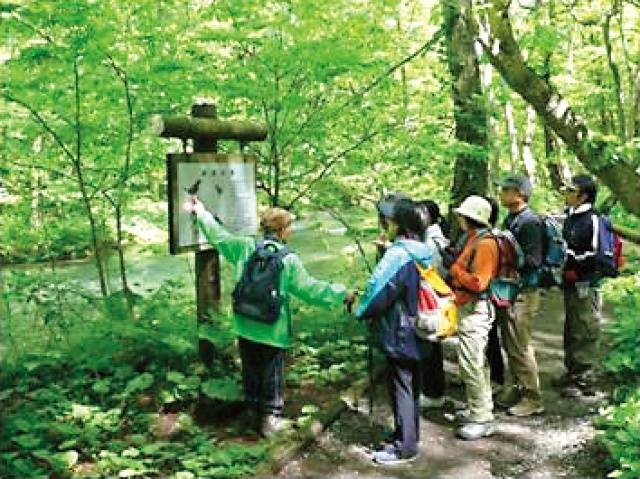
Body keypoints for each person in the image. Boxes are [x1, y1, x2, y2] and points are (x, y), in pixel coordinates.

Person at [187, 199, 355, 437]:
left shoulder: (245, 247)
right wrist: (342, 294)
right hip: (272, 328)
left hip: (245, 323)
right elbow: (310, 289)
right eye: (289, 227)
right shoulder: (288, 260)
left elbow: (218, 236)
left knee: (251, 370)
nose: (291, 231)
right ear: (282, 230)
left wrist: (201, 212)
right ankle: (269, 422)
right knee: (271, 375)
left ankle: (251, 414)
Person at [356, 198, 432, 465]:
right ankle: (409, 436)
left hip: (399, 332)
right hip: (421, 326)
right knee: (411, 384)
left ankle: (404, 448)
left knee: (400, 386)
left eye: (385, 221)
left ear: (394, 224)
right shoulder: (422, 250)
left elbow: (378, 292)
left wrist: (360, 311)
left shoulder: (398, 255)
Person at [448, 195, 499, 440]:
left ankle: (483, 419)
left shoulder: (486, 244)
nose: (458, 218)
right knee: (474, 361)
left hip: (477, 309)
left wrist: (456, 270)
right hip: (469, 307)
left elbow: (479, 282)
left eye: (461, 215)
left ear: (470, 218)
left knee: (472, 363)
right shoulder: (473, 239)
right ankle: (478, 408)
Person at [494, 175, 544, 417]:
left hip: (524, 292)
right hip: (512, 291)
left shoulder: (529, 222)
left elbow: (534, 261)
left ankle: (532, 398)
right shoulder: (512, 218)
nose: (500, 193)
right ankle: (515, 388)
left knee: (520, 346)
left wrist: (508, 257)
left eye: (505, 190)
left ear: (518, 194)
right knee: (510, 343)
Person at [556, 174, 603, 398]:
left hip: (586, 282)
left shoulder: (593, 219)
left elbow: (596, 253)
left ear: (583, 196)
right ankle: (572, 371)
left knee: (585, 328)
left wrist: (575, 263)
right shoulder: (571, 217)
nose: (566, 194)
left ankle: (585, 377)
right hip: (570, 282)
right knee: (572, 327)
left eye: (570, 190)